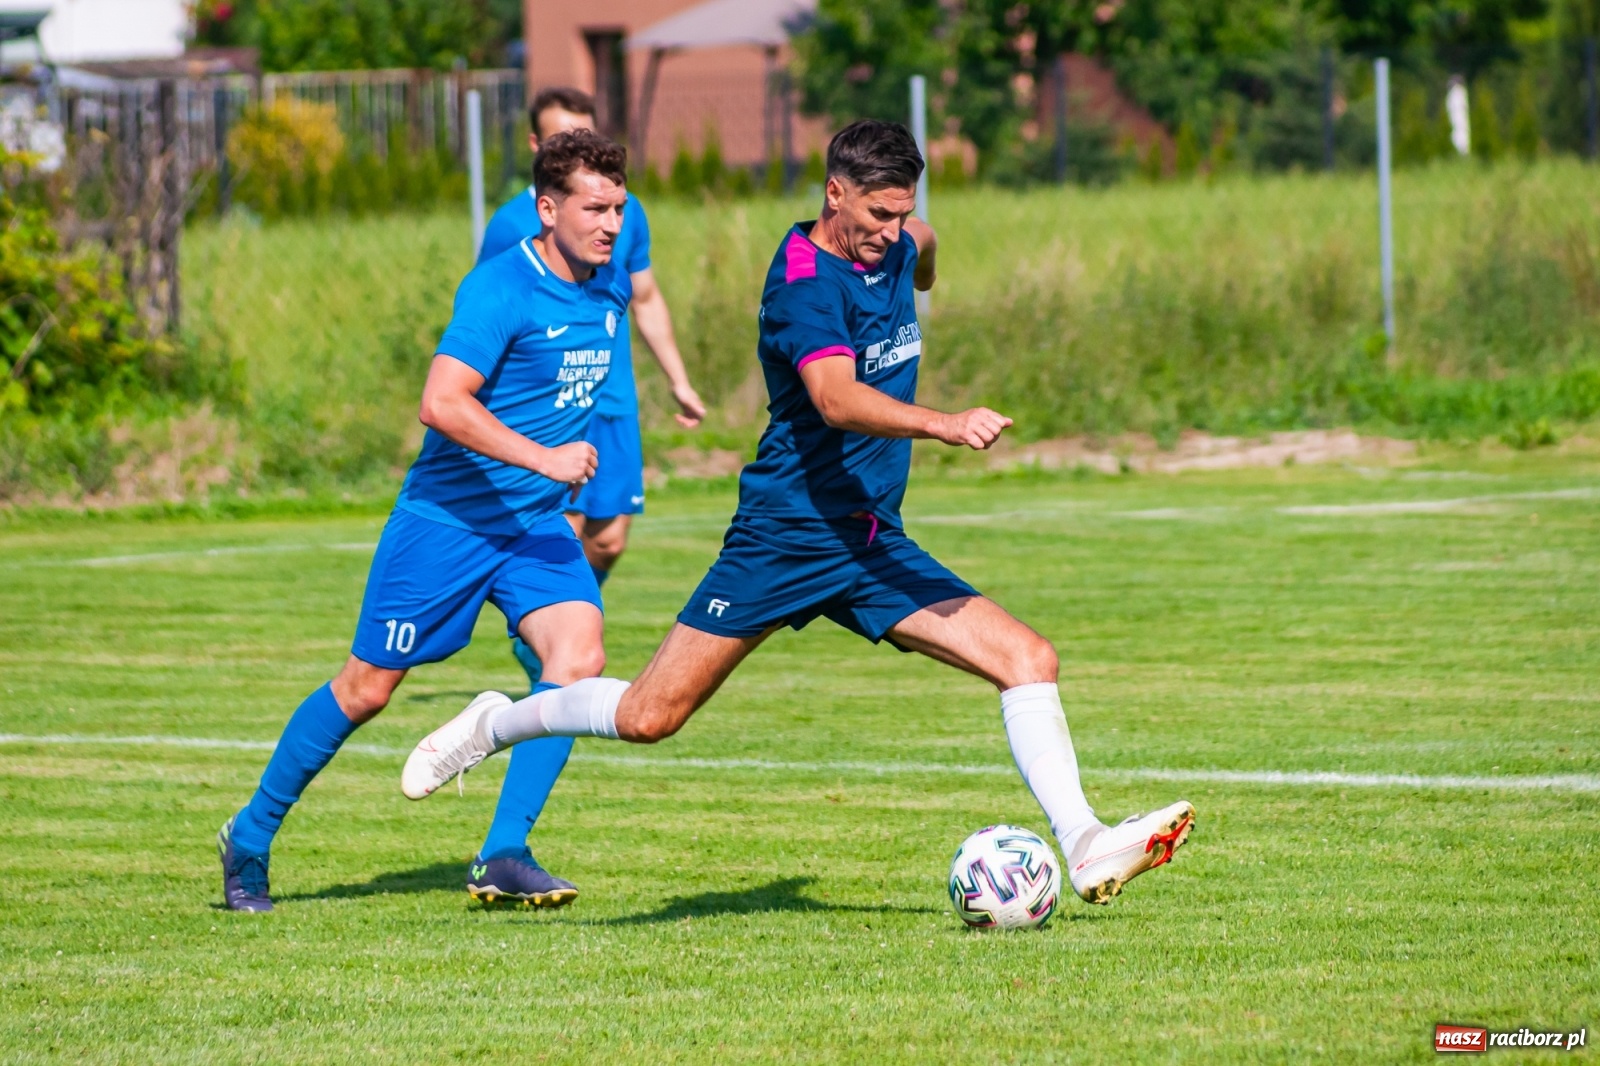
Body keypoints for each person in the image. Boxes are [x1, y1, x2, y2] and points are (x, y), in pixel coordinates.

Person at [403, 120, 1195, 906]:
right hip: (785, 536)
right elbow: (835, 398)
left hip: (867, 538)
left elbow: (924, 243)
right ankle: (497, 724)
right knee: (650, 716)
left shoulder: (898, 242)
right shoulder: (803, 284)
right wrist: (945, 423)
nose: (891, 232)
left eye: (902, 213)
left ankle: (1084, 842)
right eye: (877, 215)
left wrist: (919, 258)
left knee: (1028, 659)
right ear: (834, 193)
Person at [216, 130, 631, 912]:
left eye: (618, 208)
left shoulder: (607, 289)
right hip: (448, 521)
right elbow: (441, 403)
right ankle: (252, 833)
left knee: (578, 658)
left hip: (533, 527)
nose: (611, 225)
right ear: (547, 210)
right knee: (368, 689)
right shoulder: (502, 287)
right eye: (593, 208)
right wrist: (543, 459)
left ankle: (503, 853)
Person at [465, 88, 705, 906]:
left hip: (607, 402)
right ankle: (545, 637)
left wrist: (676, 378)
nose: (606, 217)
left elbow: (643, 296)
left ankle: (551, 640)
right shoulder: (511, 229)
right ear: (538, 156)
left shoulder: (625, 216)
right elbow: (491, 328)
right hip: (534, 431)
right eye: (560, 138)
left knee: (608, 538)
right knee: (370, 682)